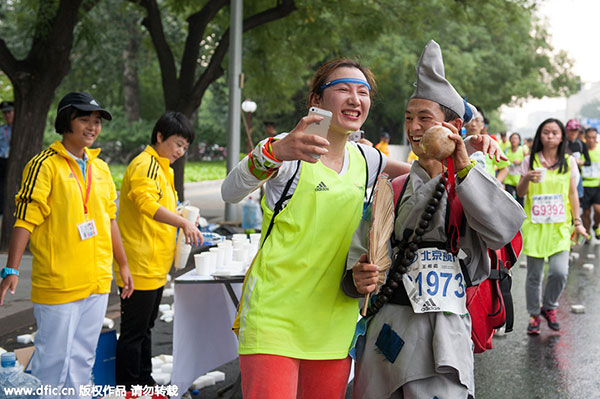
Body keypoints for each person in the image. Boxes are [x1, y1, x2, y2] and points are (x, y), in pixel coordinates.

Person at [350, 40, 524, 399]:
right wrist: (358, 276)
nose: (414, 128)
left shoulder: (472, 180)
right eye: (409, 118)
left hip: (444, 330)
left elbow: (504, 228)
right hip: (389, 324)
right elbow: (359, 253)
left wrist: (463, 166)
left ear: (453, 126)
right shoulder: (393, 188)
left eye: (424, 118)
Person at [0, 92, 134, 398]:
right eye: (84, 119)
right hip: (59, 284)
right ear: (66, 122)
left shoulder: (100, 168)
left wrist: (123, 264)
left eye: (97, 121)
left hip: (97, 282)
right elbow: (25, 219)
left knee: (82, 361)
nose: (92, 126)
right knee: (52, 364)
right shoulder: (44, 165)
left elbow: (110, 219)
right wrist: (11, 268)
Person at [114, 111, 202, 389]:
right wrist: (183, 222)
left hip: (154, 264)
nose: (180, 151)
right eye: (177, 143)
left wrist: (182, 215)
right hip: (139, 264)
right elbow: (145, 204)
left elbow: (162, 206)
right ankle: (129, 388)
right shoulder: (146, 164)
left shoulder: (163, 168)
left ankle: (144, 384)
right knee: (133, 332)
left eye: (185, 147)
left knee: (145, 330)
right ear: (160, 136)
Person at [516, 118, 587, 335]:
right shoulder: (530, 161)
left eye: (554, 133)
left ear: (561, 137)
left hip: (560, 227)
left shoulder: (569, 162)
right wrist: (527, 177)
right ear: (540, 136)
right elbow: (520, 192)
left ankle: (549, 307)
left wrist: (577, 222)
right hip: (536, 227)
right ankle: (534, 315)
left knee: (559, 272)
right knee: (534, 276)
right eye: (546, 132)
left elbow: (573, 193)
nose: (550, 136)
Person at [465, 108, 510, 182]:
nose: (473, 124)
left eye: (477, 120)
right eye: (471, 120)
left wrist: (495, 185)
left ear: (482, 125)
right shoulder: (458, 143)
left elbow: (504, 168)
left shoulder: (491, 143)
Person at [580, 127, 600, 238]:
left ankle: (596, 226)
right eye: (589, 137)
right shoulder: (582, 150)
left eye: (594, 137)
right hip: (585, 185)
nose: (591, 140)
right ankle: (587, 233)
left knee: (598, 210)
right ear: (585, 137)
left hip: (597, 185)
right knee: (586, 212)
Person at [565, 118, 590, 199]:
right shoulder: (561, 143)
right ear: (566, 130)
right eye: (571, 130)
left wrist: (580, 162)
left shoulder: (581, 144)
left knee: (576, 199)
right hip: (563, 175)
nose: (573, 133)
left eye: (575, 131)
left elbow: (588, 162)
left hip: (576, 176)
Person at [504, 132, 528, 206]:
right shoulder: (507, 150)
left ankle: (520, 216)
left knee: (520, 200)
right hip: (509, 179)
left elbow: (527, 161)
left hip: (519, 180)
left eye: (516, 138)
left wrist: (520, 162)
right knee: (509, 199)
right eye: (512, 138)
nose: (513, 140)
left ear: (519, 141)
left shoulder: (522, 149)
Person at [0, 100, 14, 215]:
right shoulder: (2, 130)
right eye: (5, 113)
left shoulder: (20, 128)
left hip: (14, 161)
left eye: (9, 112)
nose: (7, 115)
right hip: (2, 161)